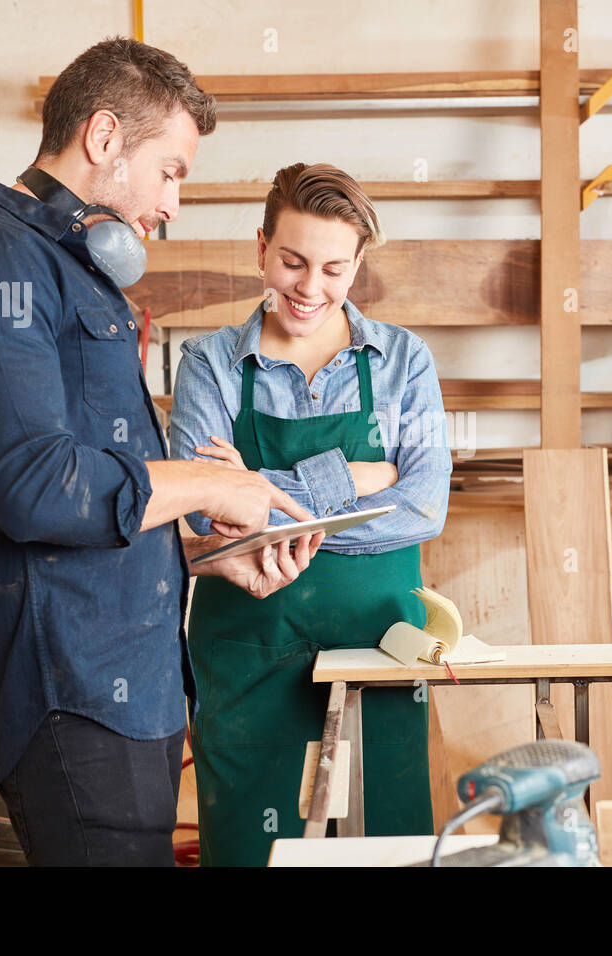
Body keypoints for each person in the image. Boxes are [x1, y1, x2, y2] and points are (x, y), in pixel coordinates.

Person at [0, 38, 322, 866]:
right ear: (105, 137)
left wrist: (192, 552)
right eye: (172, 171)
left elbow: (84, 498)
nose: (174, 203)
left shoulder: (71, 271)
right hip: (67, 684)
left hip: (125, 678)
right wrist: (205, 484)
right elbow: (31, 490)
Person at [169, 162, 452, 866]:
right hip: (247, 644)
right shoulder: (207, 364)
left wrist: (256, 495)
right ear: (261, 247)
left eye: (333, 269)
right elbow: (205, 520)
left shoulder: (403, 362)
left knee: (388, 839)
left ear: (357, 266)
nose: (309, 287)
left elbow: (423, 505)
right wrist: (353, 478)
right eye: (292, 262)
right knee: (249, 844)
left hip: (381, 641)